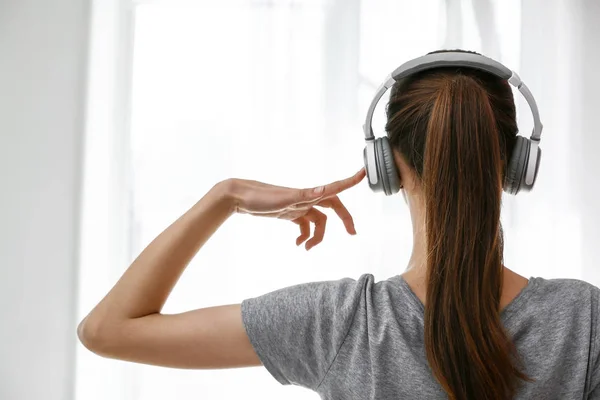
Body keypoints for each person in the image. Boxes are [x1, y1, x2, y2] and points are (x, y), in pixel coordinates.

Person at [77, 50, 600, 400]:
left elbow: (108, 331)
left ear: (385, 166)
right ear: (515, 164)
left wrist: (225, 197)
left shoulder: (337, 322)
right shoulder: (585, 318)